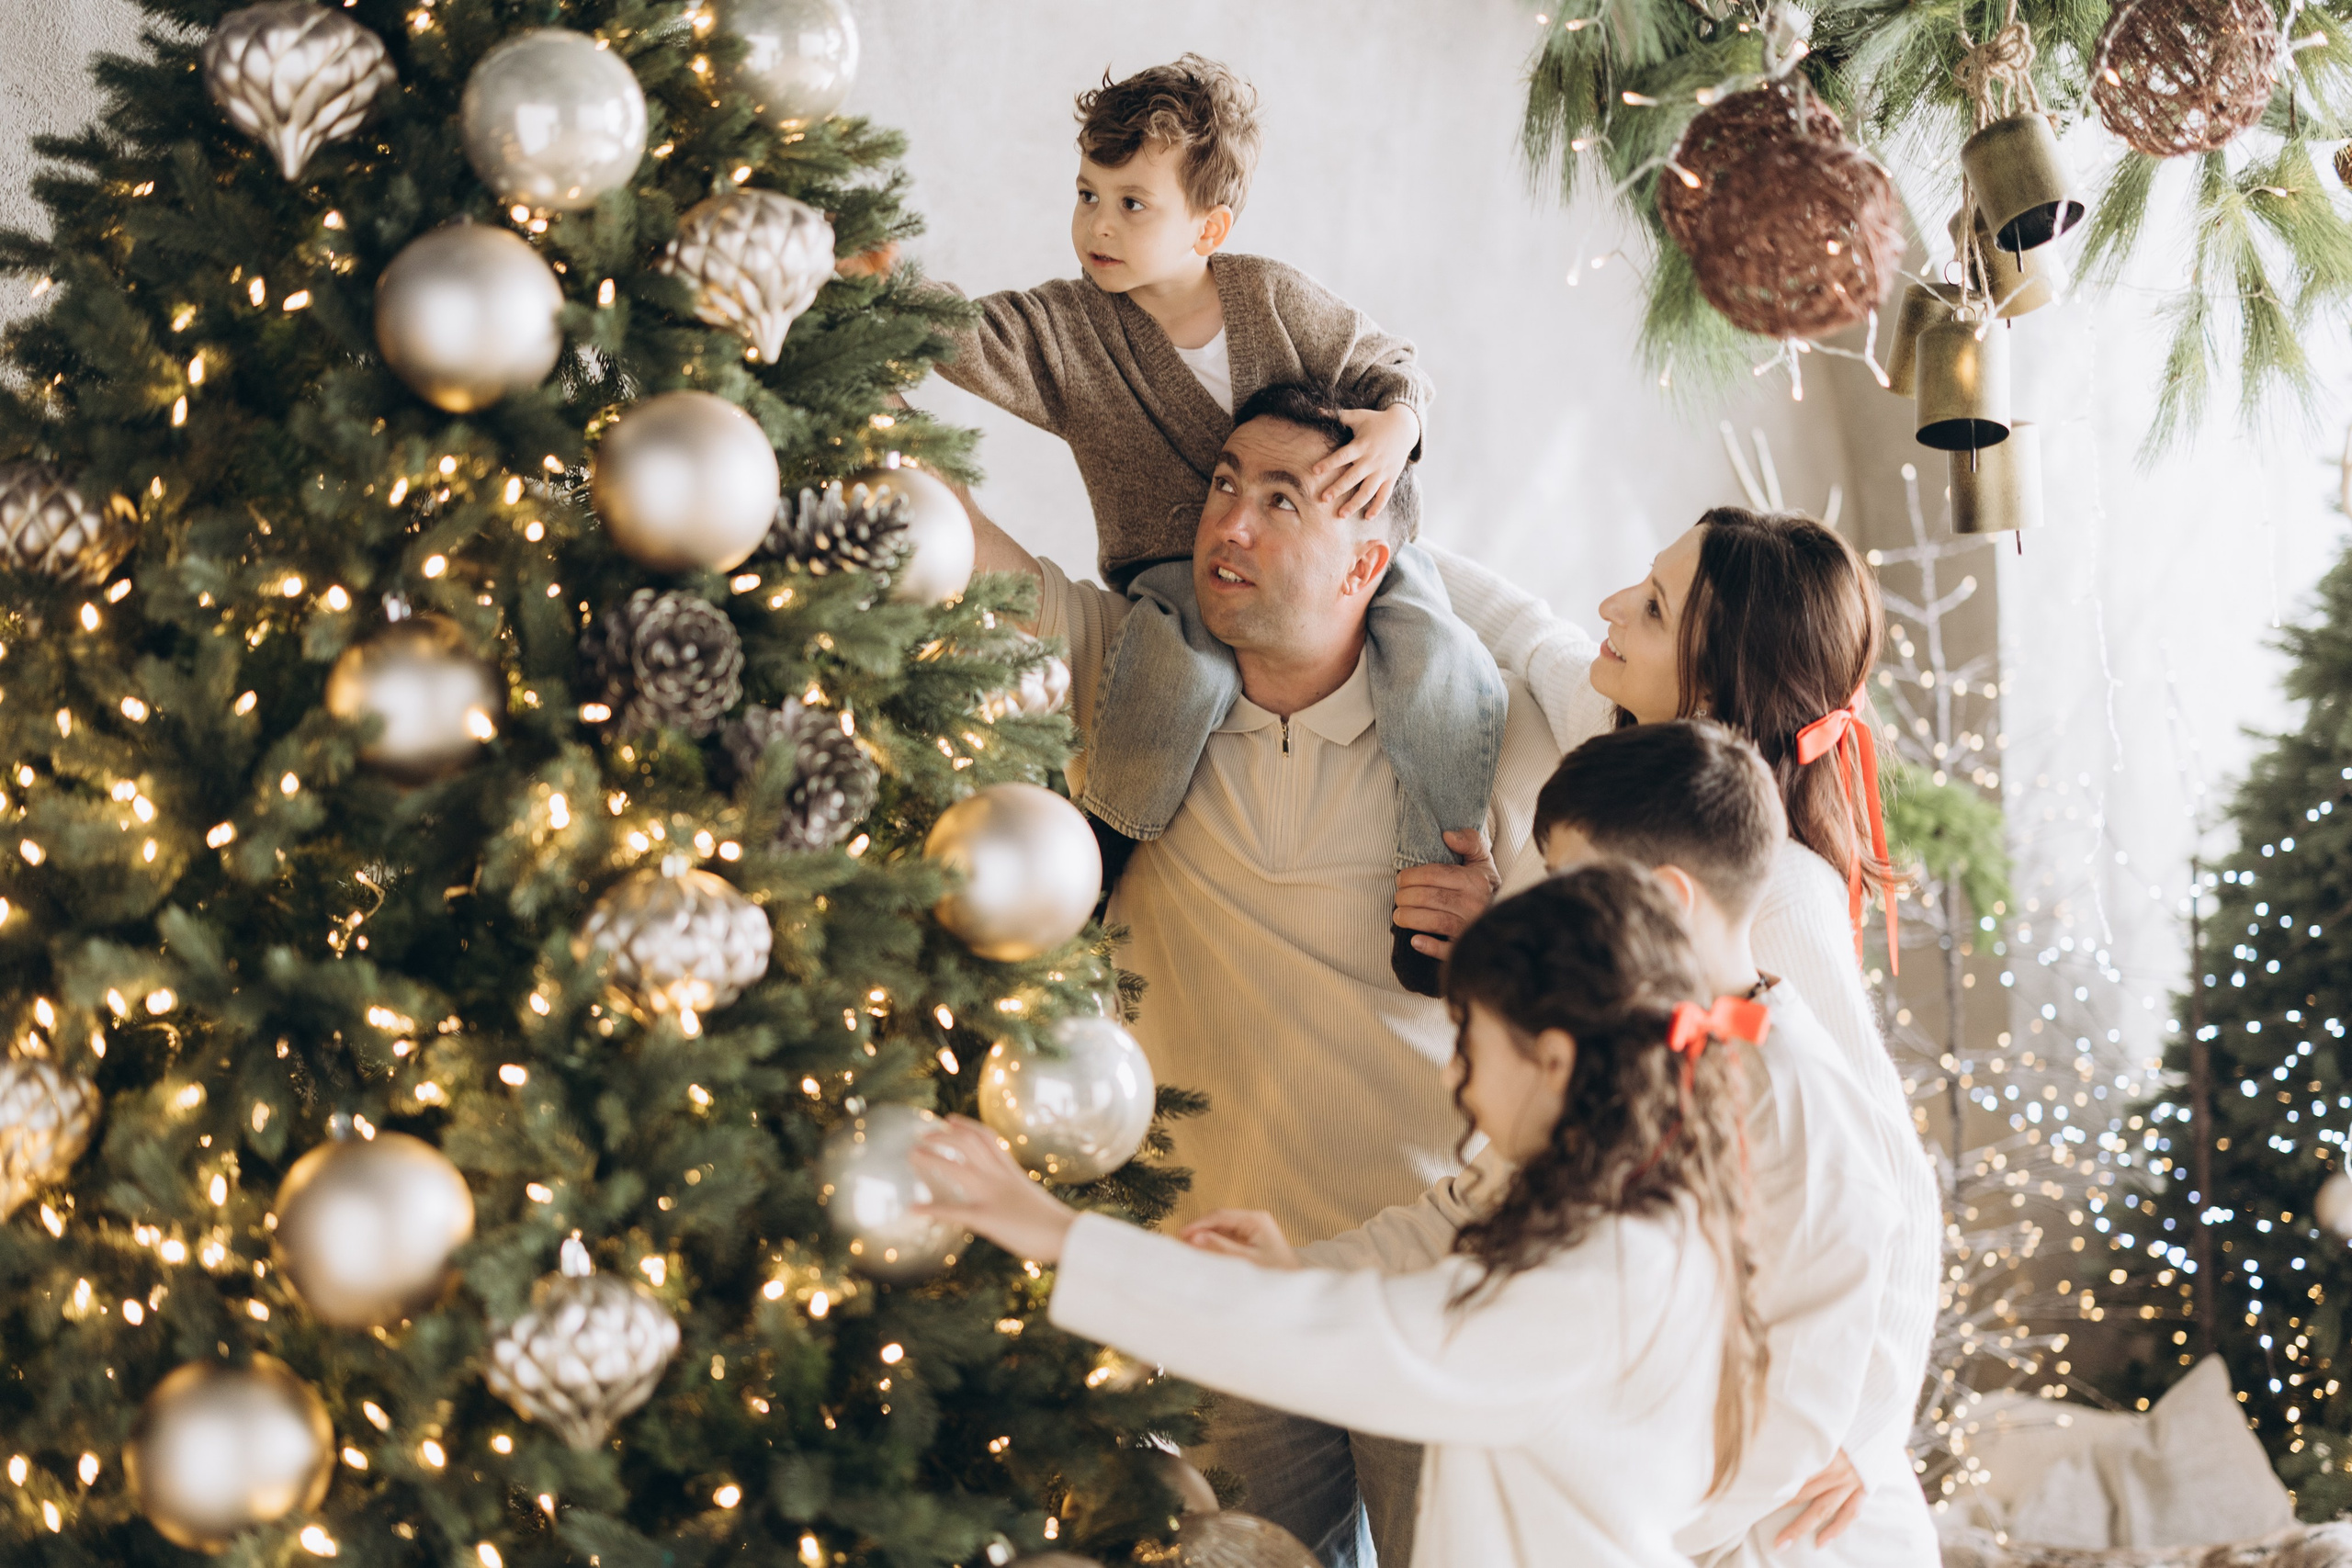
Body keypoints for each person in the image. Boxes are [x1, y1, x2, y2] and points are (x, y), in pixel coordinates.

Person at [952, 379, 1612, 1565]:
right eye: (1223, 485)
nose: (1230, 526)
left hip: (1426, 1283)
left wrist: (1505, 928)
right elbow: (962, 553)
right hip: (1230, 1282)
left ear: (1370, 565)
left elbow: (1639, 980)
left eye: (1282, 500)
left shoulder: (1487, 736)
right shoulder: (1133, 684)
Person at [912, 864, 1770, 1568]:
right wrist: (1293, 1278)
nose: (1451, 1075)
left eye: (1468, 1041)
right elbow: (1403, 1323)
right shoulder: (1632, 1206)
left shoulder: (1597, 1280)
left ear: (1551, 1061)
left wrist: (1051, 1229)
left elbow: (1373, 1342)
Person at [1269, 723, 1935, 1568]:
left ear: (1663, 899)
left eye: (1566, 882)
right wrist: (1284, 1273)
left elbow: (1794, 1416)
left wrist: (1605, 1528)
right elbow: (1468, 1215)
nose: (1544, 908)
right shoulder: (1607, 1054)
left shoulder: (1801, 1104)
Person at [930, 55, 1509, 990]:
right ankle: (1106, 841)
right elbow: (966, 335)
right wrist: (881, 290)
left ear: (1210, 226)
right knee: (1178, 666)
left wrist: (1398, 427)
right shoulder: (1070, 328)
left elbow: (1392, 364)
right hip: (1175, 571)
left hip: (1353, 550)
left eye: (1132, 203)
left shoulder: (1270, 298)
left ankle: (1436, 867)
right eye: (1087, 194)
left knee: (1444, 663)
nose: (1097, 226)